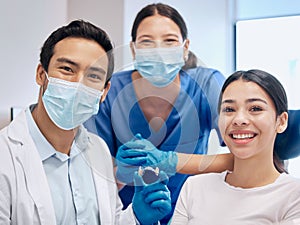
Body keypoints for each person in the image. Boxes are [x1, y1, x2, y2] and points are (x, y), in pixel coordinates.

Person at [0, 19, 172, 225]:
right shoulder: (6, 157)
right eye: (67, 69)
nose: (79, 84)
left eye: (93, 75)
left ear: (104, 92)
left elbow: (111, 220)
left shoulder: (98, 150)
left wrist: (136, 217)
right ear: (41, 74)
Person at [84, 3, 233, 224]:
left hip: (194, 214)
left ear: (185, 48)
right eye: (147, 41)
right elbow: (93, 181)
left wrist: (170, 161)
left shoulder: (207, 84)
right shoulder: (110, 90)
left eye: (170, 41)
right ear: (133, 49)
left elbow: (242, 157)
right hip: (129, 216)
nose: (158, 50)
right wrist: (120, 173)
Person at [171, 69, 300, 224]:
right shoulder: (194, 187)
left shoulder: (294, 196)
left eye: (255, 109)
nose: (239, 120)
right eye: (229, 109)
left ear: (281, 121)